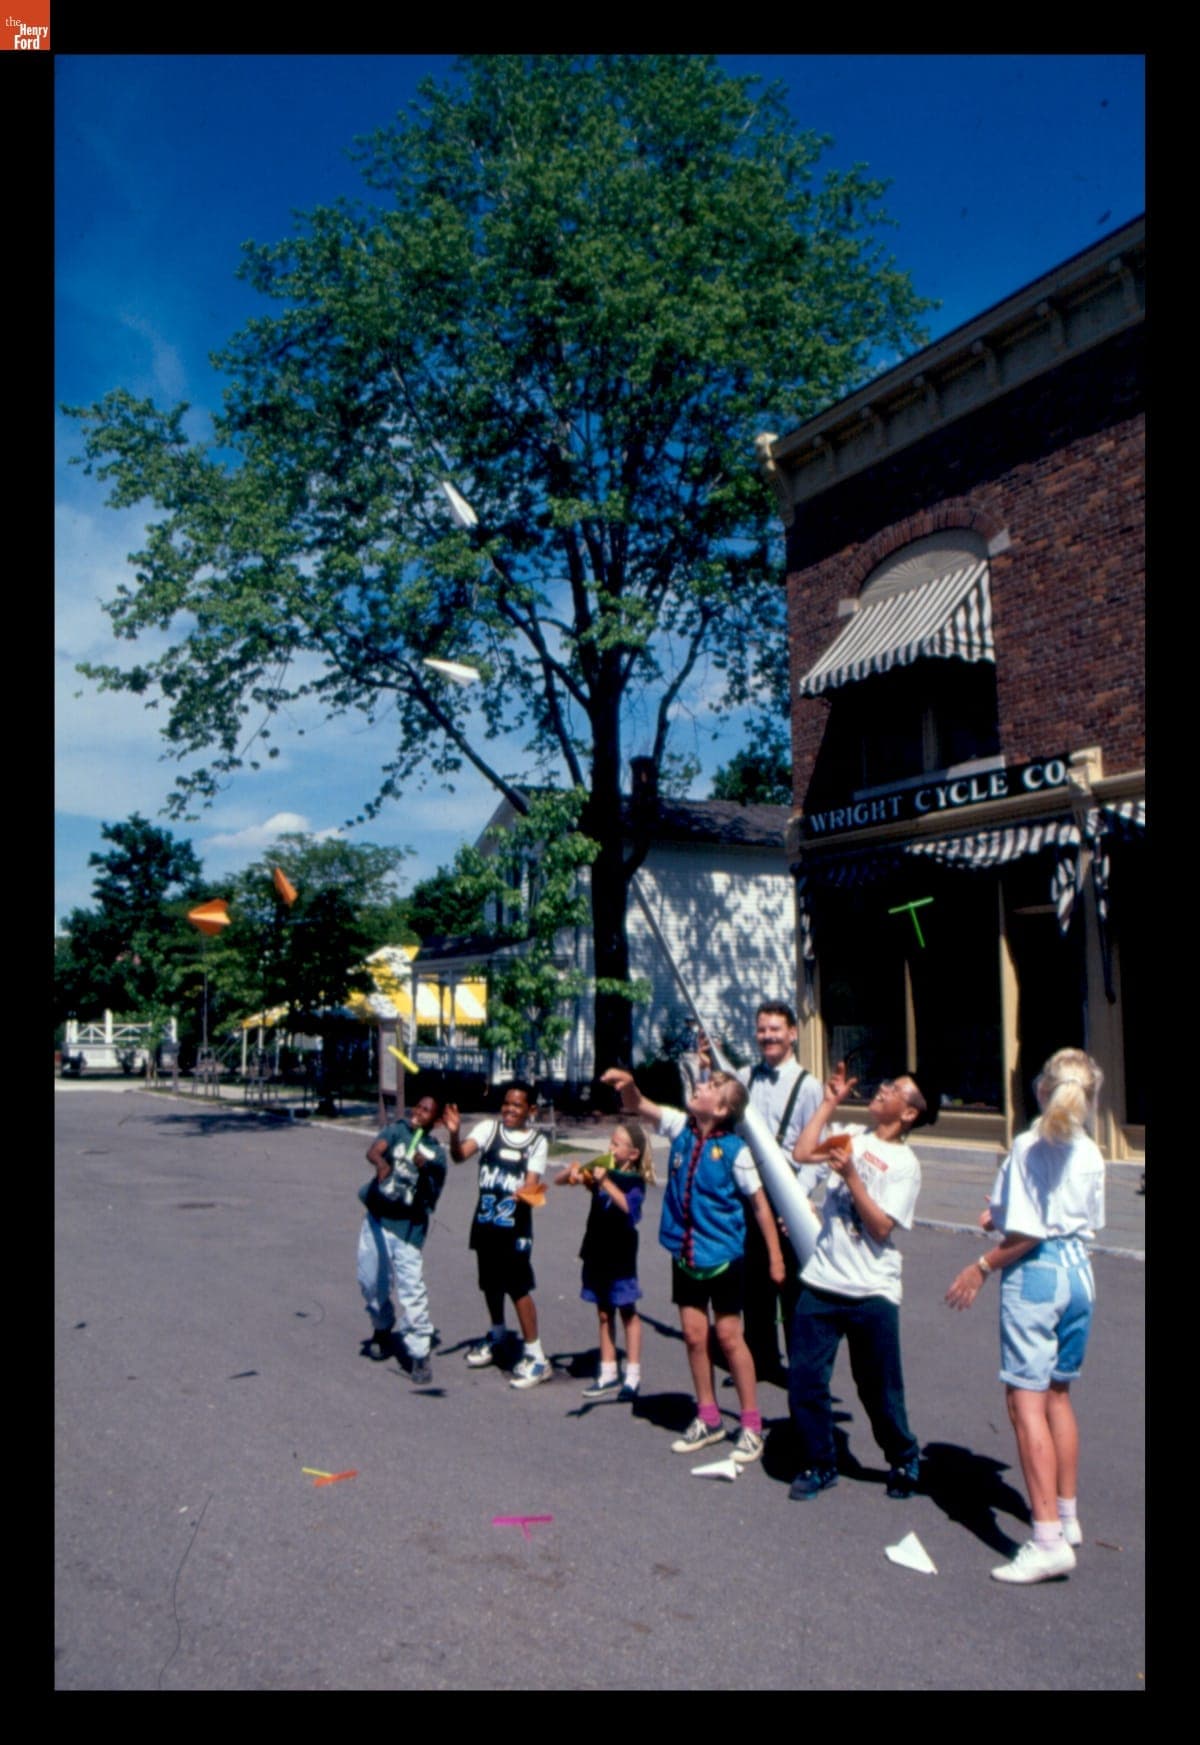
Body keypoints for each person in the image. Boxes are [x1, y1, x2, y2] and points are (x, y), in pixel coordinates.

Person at [946, 1048, 1105, 1584]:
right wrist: (1006, 1217)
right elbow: (1080, 1219)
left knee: (1024, 1401)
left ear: (1043, 1088)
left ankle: (1046, 1538)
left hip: (1037, 1274)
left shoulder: (1027, 1143)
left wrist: (982, 1264)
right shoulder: (1090, 1149)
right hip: (1079, 1273)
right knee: (1058, 1393)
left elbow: (1029, 1233)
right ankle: (1066, 1513)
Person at [602, 1066, 785, 1465]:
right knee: (692, 1335)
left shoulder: (737, 1152)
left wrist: (774, 1257)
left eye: (708, 1087)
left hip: (722, 1257)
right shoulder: (678, 1126)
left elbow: (760, 1206)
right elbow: (639, 1105)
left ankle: (751, 1425)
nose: (698, 1087)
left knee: (730, 1338)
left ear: (720, 1109)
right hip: (685, 1254)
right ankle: (708, 1416)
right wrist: (630, 1085)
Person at [787, 1060, 926, 1501]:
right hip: (824, 1280)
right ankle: (820, 1462)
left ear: (908, 1114)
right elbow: (802, 1153)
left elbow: (881, 1227)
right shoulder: (853, 1136)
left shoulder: (905, 1164)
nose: (883, 1088)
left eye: (896, 1089)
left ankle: (903, 1455)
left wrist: (851, 1177)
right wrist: (829, 1103)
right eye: (885, 1082)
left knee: (878, 1390)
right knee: (806, 1380)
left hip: (872, 1291)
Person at [735, 1002, 824, 1380]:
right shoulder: (742, 1077)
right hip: (750, 1192)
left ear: (792, 1034)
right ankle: (761, 1359)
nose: (768, 1036)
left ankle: (799, 1365)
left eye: (775, 1029)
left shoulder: (809, 1087)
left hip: (787, 1191)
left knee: (791, 1284)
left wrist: (797, 1199)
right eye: (761, 1030)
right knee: (753, 1280)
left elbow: (816, 1152)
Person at [445, 1082, 552, 1389]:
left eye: (517, 1105)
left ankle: (536, 1356)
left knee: (518, 1288)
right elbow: (459, 1156)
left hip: (514, 1228)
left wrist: (527, 1193)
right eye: (506, 1103)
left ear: (530, 1110)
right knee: (489, 1283)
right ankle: (497, 1333)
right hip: (486, 1222)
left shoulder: (536, 1142)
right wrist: (454, 1134)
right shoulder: (488, 1130)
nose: (509, 1109)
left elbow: (532, 1185)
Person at [556, 1120, 655, 1403]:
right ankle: (608, 1371)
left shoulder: (633, 1182)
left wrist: (605, 1182)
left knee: (627, 1310)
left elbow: (629, 1208)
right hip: (596, 1248)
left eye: (616, 1144)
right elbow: (561, 1180)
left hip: (620, 1252)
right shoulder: (602, 1172)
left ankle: (633, 1375)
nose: (610, 1148)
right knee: (603, 1312)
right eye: (610, 1142)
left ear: (632, 1154)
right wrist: (574, 1172)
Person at [357, 1092, 448, 1386]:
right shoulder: (397, 1130)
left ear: (435, 1120)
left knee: (411, 1289)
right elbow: (375, 1149)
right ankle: (383, 1327)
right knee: (371, 1282)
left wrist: (425, 1168)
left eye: (426, 1111)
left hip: (408, 1229)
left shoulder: (436, 1153)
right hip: (378, 1219)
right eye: (418, 1107)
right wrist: (381, 1164)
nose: (418, 1113)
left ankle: (419, 1352)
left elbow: (431, 1194)